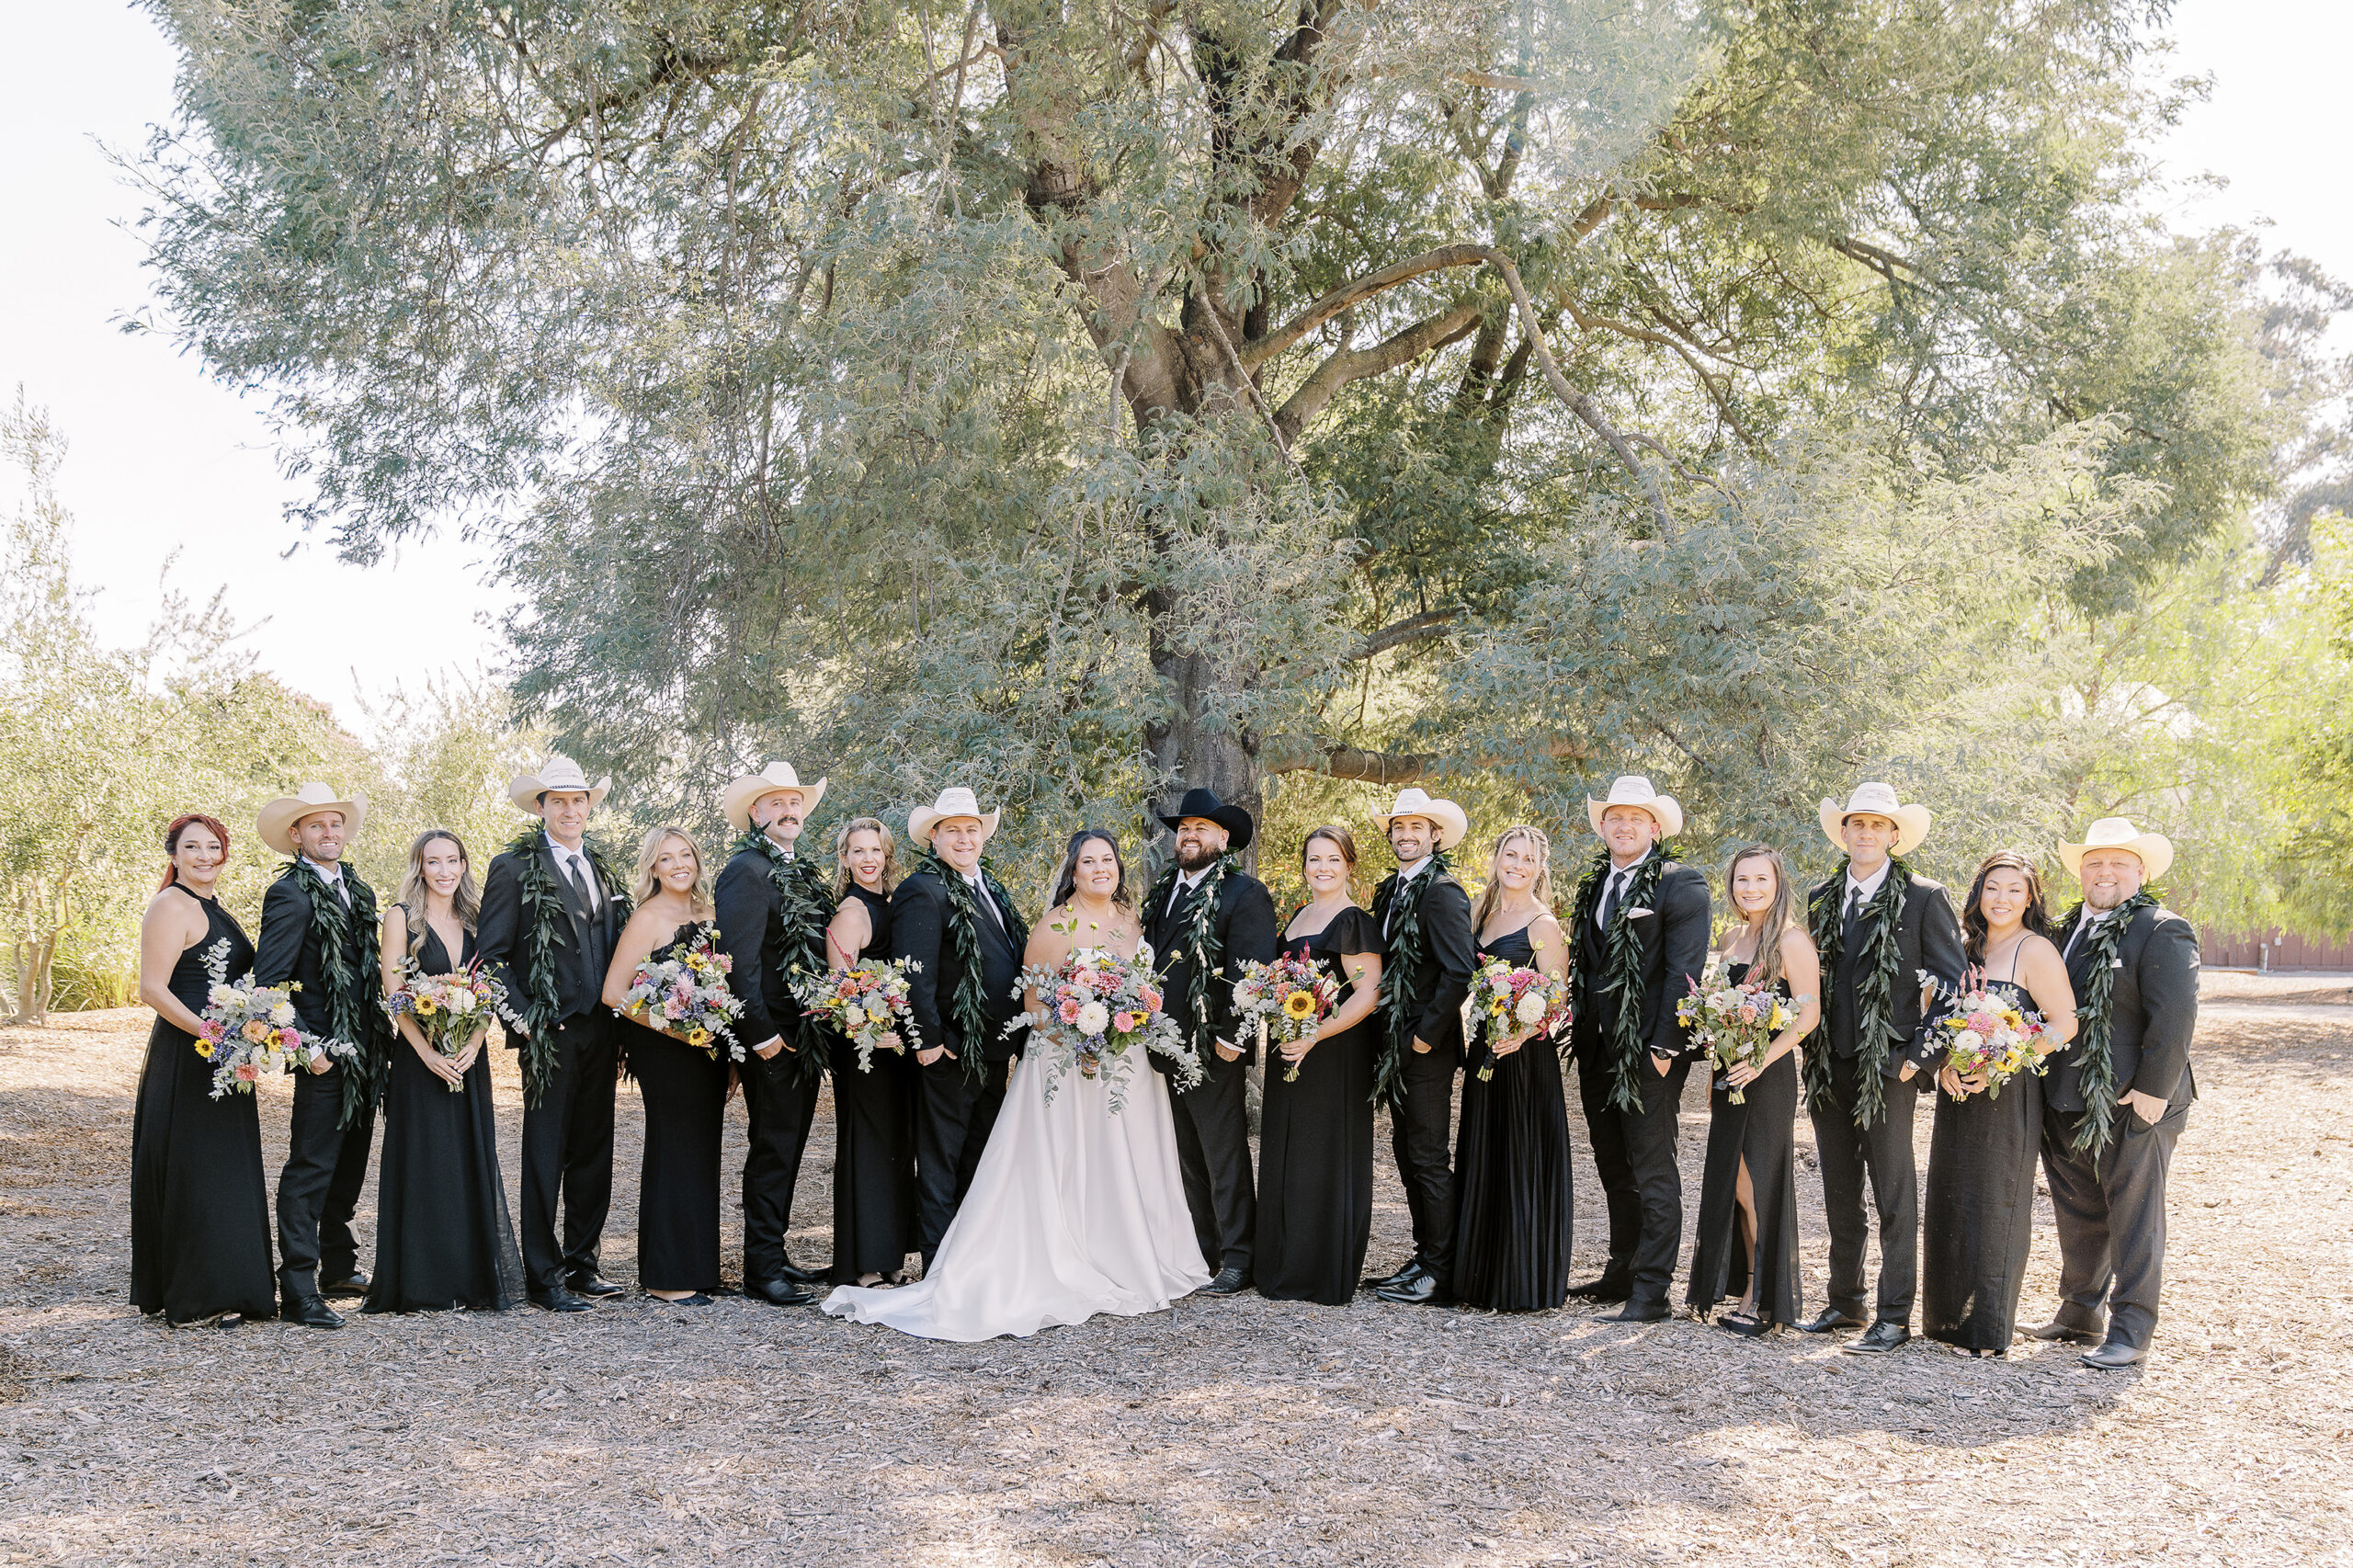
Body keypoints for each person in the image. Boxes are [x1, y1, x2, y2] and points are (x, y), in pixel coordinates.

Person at [824, 830, 1209, 1338]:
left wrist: (1128, 1019)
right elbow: (1032, 1005)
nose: (1100, 868)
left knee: (1113, 1157)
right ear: (1072, 870)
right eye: (1088, 860)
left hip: (1120, 1066)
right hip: (1059, 1065)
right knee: (984, 1160)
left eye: (1108, 860)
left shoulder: (1128, 919)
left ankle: (1126, 1250)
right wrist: (1078, 1035)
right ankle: (950, 1265)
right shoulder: (1050, 925)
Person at [1800, 781, 1966, 1355]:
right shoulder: (1822, 898)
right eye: (1857, 824)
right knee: (1839, 1190)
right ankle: (1845, 1300)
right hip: (1826, 1067)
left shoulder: (1924, 896)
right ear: (1843, 832)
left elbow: (1952, 987)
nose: (1866, 834)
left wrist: (1914, 1061)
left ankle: (1894, 1315)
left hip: (1887, 1071)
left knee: (1893, 1192)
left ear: (1895, 836)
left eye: (1877, 826)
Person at [2032, 818, 2198, 1369]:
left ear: (2141, 872)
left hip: (2134, 1101)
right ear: (2080, 870)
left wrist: (2155, 1089)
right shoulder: (2062, 931)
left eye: (2118, 863)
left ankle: (2131, 1331)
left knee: (2135, 1213)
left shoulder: (2161, 928)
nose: (2105, 872)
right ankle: (2080, 1312)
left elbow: (2174, 1015)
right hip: (2068, 1097)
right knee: (2079, 1209)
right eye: (2095, 862)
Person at [478, 755, 631, 1313]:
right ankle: (543, 1278)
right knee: (545, 1154)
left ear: (590, 807)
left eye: (579, 800)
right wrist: (532, 1022)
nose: (570, 810)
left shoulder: (602, 869)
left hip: (603, 1032)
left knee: (595, 1151)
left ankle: (581, 1264)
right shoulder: (513, 868)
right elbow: (491, 959)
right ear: (541, 807)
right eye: (559, 801)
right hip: (549, 1037)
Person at [1562, 776, 1711, 1322]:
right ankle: (1620, 1271)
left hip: (1650, 1050)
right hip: (1598, 1048)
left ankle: (1652, 1291)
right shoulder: (1597, 883)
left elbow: (1684, 971)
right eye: (1615, 817)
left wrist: (1667, 1044)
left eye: (1635, 818)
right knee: (1611, 1162)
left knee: (1651, 1165)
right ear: (1602, 826)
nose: (1624, 826)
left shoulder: (1681, 884)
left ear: (1654, 826)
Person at [1921, 850, 2077, 1356]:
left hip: (2009, 1093)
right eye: (1992, 888)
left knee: (1996, 1203)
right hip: (1959, 1090)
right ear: (1978, 894)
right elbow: (1939, 1020)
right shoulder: (1963, 949)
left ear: (2030, 897)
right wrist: (1947, 1066)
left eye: (2014, 889)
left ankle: (1988, 1329)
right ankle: (1948, 1322)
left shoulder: (2036, 951)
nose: (2002, 898)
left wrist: (2007, 1057)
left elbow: (2064, 1023)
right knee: (1951, 1194)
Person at [365, 829, 526, 1314]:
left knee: (466, 1160)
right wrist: (426, 1054)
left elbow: (491, 987)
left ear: (464, 864)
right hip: (420, 1062)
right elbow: (395, 996)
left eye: (453, 860)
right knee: (426, 1161)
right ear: (419, 866)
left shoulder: (478, 918)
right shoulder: (401, 919)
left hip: (467, 1061)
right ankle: (423, 1281)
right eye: (433, 862)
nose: (444, 871)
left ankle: (469, 1278)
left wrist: (474, 1045)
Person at [130, 812, 277, 1328]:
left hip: (225, 1056)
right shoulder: (172, 904)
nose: (204, 856)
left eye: (213, 846)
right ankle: (193, 1296)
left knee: (222, 1169)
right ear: (174, 855)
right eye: (192, 847)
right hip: (190, 1055)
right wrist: (210, 1034)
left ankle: (227, 1285)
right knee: (195, 1168)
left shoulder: (212, 906)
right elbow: (152, 988)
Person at [253, 781, 388, 1330]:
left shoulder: (360, 890)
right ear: (296, 836)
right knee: (311, 1167)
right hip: (325, 1053)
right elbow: (270, 985)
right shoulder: (290, 893)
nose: (328, 833)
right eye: (316, 826)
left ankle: (339, 1266)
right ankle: (299, 1288)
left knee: (351, 1164)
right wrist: (311, 1051)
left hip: (367, 1052)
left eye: (335, 824)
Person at [1141, 788, 1279, 1296]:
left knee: (1223, 1154)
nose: (1190, 834)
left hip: (1213, 1046)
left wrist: (1233, 1039)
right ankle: (1206, 1251)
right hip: (1163, 1043)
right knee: (1188, 1156)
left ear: (1224, 838)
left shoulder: (1245, 893)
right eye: (1184, 827)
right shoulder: (1163, 889)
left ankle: (1240, 1258)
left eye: (1202, 827)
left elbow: (1252, 971)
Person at [890, 787, 1027, 1273]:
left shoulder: (990, 888)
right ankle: (939, 1267)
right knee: (941, 1163)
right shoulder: (921, 889)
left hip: (992, 1052)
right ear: (934, 837)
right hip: (949, 1051)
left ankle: (971, 1261)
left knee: (979, 1156)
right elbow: (913, 975)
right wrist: (928, 1042)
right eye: (953, 831)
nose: (964, 838)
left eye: (972, 830)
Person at [712, 761, 833, 1307]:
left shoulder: (800, 871)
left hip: (804, 1035)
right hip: (773, 1036)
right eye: (776, 803)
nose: (788, 811)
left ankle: (774, 1251)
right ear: (756, 813)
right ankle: (761, 1269)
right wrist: (759, 1035)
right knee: (773, 1148)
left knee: (790, 1145)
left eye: (795, 802)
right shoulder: (746, 870)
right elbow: (736, 961)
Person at [1687, 845, 1819, 1335]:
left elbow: (1808, 1015)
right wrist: (1716, 1072)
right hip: (1728, 1074)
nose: (1751, 888)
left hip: (1767, 1076)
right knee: (1737, 1185)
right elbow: (1720, 1012)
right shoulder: (1732, 937)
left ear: (1778, 883)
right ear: (1732, 886)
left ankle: (1762, 1299)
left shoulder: (1792, 941)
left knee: (1760, 1186)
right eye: (1743, 880)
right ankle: (1749, 1280)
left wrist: (1760, 1060)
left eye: (1761, 879)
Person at [1255, 825, 1383, 1305]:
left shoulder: (1354, 921)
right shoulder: (1298, 916)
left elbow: (1370, 994)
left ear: (1349, 865)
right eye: (1314, 859)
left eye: (1333, 858)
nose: (1322, 868)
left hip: (1335, 1053)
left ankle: (1320, 1271)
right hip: (1291, 1047)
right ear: (1303, 865)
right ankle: (1284, 1263)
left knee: (1324, 1151)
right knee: (1289, 1149)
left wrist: (1315, 1036)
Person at [604, 827, 730, 1304]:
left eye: (685, 855)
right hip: (666, 1050)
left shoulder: (710, 914)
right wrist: (676, 1028)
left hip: (707, 1052)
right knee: (673, 1151)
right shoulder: (647, 917)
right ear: (652, 868)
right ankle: (665, 1277)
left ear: (697, 860)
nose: (679, 864)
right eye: (666, 858)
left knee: (703, 1154)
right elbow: (614, 993)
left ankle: (697, 1268)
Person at [1452, 825, 1575, 1312]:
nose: (1518, 865)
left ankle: (1520, 1278)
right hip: (1486, 1049)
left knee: (1519, 1154)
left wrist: (1522, 1034)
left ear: (1540, 867)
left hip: (1525, 1057)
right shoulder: (1482, 914)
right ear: (1497, 857)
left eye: (1528, 858)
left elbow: (1560, 993)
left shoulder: (1542, 923)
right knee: (1487, 1151)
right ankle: (1480, 1275)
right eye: (1511, 854)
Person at [1363, 788, 1476, 1307]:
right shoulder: (1390, 891)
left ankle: (1441, 1270)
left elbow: (1459, 970)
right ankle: (1423, 1255)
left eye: (1417, 828)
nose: (1406, 835)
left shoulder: (1444, 891)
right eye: (1398, 827)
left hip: (1425, 1047)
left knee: (1429, 1157)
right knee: (1408, 1154)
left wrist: (1424, 1037)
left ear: (1435, 835)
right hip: (1392, 1044)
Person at [822, 816, 918, 1288]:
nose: (867, 859)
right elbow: (837, 989)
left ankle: (890, 1255)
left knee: (897, 1147)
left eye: (875, 850)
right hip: (865, 1049)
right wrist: (869, 1029)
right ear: (844, 859)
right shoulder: (852, 913)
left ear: (887, 855)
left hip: (896, 1048)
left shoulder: (893, 903)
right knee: (868, 1147)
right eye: (857, 851)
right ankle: (861, 1263)